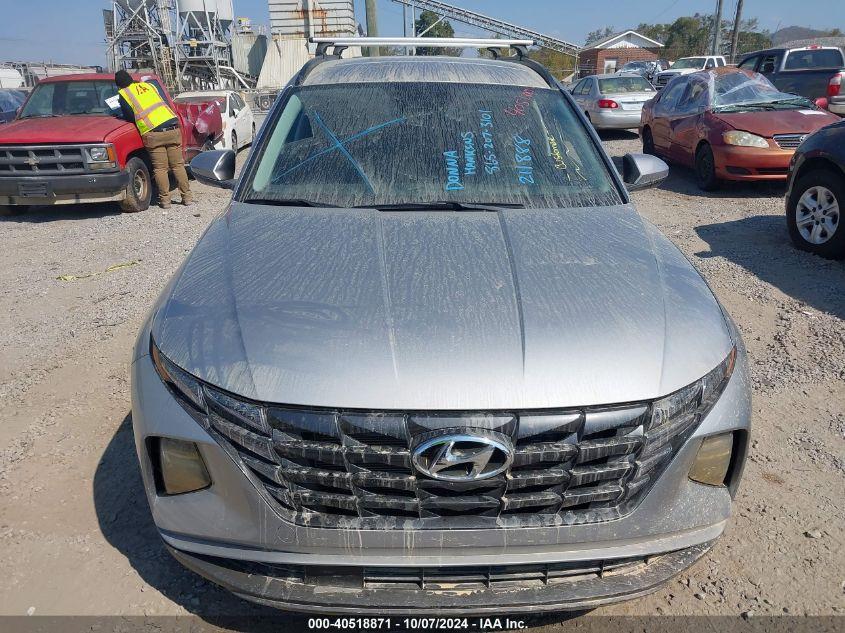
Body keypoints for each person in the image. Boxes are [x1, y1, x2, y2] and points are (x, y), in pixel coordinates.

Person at [115, 70, 192, 209]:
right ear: (131, 79)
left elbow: (129, 116)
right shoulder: (148, 86)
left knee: (160, 169)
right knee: (178, 165)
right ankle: (187, 198)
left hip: (153, 133)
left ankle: (165, 201)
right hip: (172, 127)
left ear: (119, 86)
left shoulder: (124, 94)